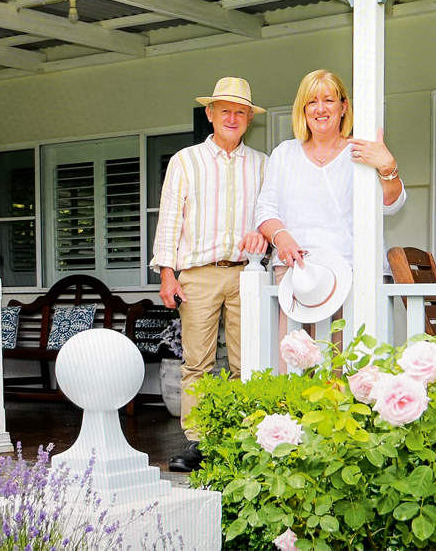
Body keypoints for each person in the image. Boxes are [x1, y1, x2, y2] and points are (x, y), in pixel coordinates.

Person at [151, 76, 268, 473]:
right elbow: (169, 220)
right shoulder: (185, 161)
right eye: (225, 110)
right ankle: (199, 442)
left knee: (246, 362)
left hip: (247, 276)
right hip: (198, 274)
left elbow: (271, 217)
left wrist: (264, 236)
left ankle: (242, 438)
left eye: (240, 111)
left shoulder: (262, 165)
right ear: (210, 114)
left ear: (249, 118)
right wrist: (168, 274)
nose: (232, 117)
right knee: (197, 363)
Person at [254, 70, 406, 344]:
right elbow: (265, 211)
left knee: (347, 368)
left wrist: (387, 166)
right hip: (296, 274)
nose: (320, 109)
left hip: (351, 272)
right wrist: (282, 237)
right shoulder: (284, 154)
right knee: (296, 365)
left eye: (329, 100)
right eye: (312, 102)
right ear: (303, 109)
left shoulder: (360, 151)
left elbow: (391, 205)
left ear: (343, 106)